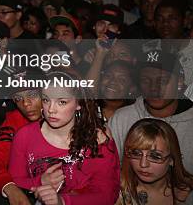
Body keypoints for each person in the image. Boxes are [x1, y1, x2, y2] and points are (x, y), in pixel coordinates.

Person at [9, 71, 120, 205]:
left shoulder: (97, 139)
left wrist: (63, 201)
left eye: (61, 102)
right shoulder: (25, 135)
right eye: (46, 100)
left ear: (78, 103)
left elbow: (107, 195)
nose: (51, 109)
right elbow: (14, 181)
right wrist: (39, 182)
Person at [109, 50, 193, 176]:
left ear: (179, 81)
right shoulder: (122, 118)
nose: (153, 88)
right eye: (145, 80)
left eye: (162, 81)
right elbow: (109, 172)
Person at [0, 69, 44, 205]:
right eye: (18, 98)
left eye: (33, 94)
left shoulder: (66, 115)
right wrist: (9, 187)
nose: (26, 103)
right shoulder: (14, 120)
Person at [118, 118, 193, 205]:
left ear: (172, 159)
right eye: (136, 153)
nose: (143, 164)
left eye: (155, 156)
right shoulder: (116, 191)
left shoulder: (192, 192)